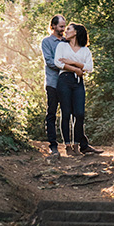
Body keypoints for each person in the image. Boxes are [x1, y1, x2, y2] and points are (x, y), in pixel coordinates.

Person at [54, 22, 98, 155]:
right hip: (64, 81)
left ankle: (77, 144)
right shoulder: (62, 45)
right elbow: (58, 62)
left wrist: (71, 62)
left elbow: (89, 68)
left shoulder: (85, 50)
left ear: (76, 32)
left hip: (78, 83)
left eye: (68, 29)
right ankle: (67, 146)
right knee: (66, 113)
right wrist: (76, 69)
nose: (65, 31)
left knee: (79, 114)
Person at [41, 14, 67, 156]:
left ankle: (71, 144)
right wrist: (67, 66)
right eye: (61, 26)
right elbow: (49, 62)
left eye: (64, 26)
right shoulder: (47, 42)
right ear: (53, 26)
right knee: (51, 113)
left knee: (68, 113)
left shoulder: (67, 41)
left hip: (66, 83)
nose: (63, 29)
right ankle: (53, 145)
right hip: (52, 83)